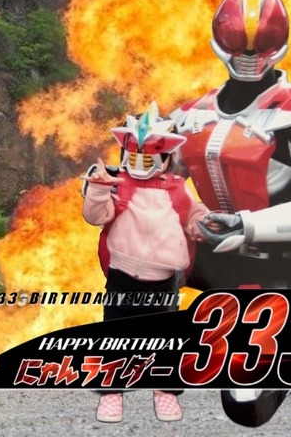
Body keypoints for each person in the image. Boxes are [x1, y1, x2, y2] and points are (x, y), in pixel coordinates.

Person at [169, 0, 291, 427]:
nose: (248, 57)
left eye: (260, 46)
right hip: (208, 257)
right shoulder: (193, 112)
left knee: (245, 404)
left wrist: (246, 225)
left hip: (270, 260)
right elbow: (161, 184)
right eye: (237, 45)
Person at [81, 101, 209, 423]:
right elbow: (95, 217)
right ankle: (112, 396)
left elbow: (195, 219)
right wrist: (97, 190)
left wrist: (209, 225)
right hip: (121, 277)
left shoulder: (178, 190)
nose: (140, 162)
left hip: (164, 282)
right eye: (134, 155)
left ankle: (165, 394)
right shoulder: (117, 184)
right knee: (114, 339)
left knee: (165, 342)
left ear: (165, 157)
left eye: (149, 157)